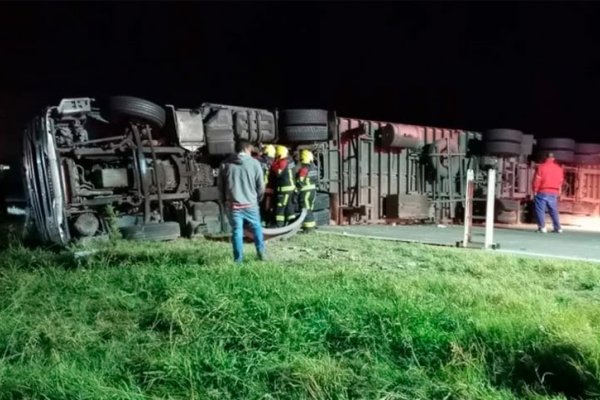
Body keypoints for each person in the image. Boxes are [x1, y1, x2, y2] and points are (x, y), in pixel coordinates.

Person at [217, 139, 266, 262]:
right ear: (247, 148)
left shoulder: (225, 164)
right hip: (250, 204)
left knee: (237, 231)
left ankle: (238, 260)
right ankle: (261, 254)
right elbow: (261, 186)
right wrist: (257, 199)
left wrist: (223, 202)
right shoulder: (255, 164)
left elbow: (220, 187)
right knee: (256, 228)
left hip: (233, 205)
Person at [532, 151, 564, 233]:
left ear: (546, 158)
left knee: (540, 210)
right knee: (553, 210)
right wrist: (559, 191)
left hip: (542, 191)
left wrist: (535, 190)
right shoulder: (559, 169)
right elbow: (560, 181)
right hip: (554, 192)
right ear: (553, 158)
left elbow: (537, 180)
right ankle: (558, 228)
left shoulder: (541, 167)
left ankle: (542, 227)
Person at [270, 145, 296, 227]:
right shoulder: (290, 160)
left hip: (284, 189)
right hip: (291, 188)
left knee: (280, 207)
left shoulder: (283, 162)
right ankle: (291, 223)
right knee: (289, 207)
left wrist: (273, 164)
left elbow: (278, 173)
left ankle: (278, 224)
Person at [296, 149, 318, 232]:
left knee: (305, 208)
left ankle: (308, 228)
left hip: (305, 192)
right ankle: (312, 224)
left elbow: (300, 181)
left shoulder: (304, 169)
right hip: (312, 190)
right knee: (309, 208)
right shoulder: (314, 168)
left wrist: (296, 190)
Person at [258, 144, 276, 226]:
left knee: (260, 206)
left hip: (260, 188)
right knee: (268, 206)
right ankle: (267, 222)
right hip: (269, 187)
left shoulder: (259, 161)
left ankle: (261, 222)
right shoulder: (273, 162)